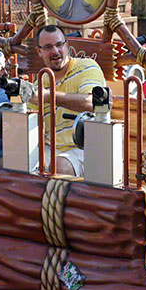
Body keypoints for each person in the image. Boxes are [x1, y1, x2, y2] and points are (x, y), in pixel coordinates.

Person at [29, 24, 106, 176]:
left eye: (59, 45)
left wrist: (48, 96)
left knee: (58, 167)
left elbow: (93, 103)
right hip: (51, 149)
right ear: (39, 52)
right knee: (11, 162)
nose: (55, 51)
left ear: (67, 45)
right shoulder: (40, 81)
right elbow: (30, 121)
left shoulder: (87, 67)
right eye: (48, 47)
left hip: (86, 149)